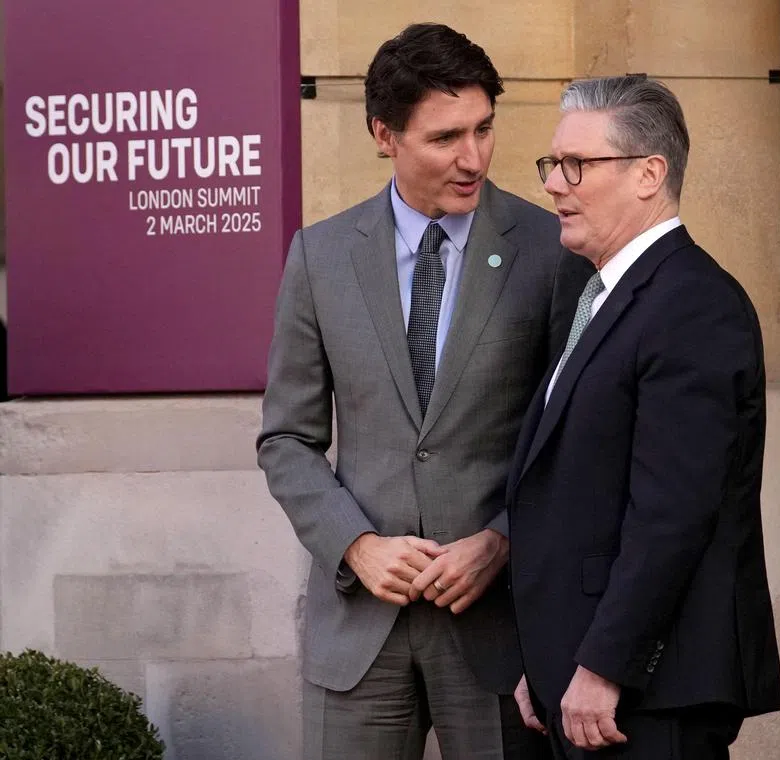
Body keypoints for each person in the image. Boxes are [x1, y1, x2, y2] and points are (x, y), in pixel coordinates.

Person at [257, 23, 588, 760]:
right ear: (385, 135)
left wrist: (502, 537)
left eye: (484, 129)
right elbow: (286, 439)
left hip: (501, 629)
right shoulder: (320, 256)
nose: (473, 158)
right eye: (445, 139)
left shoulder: (552, 249)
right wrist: (357, 545)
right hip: (358, 633)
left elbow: (574, 439)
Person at [506, 75, 780, 759]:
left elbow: (673, 512)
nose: (553, 185)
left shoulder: (691, 303)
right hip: (577, 683)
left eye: (577, 165)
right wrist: (544, 660)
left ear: (648, 174)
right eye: (552, 165)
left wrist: (606, 666)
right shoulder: (606, 294)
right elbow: (577, 498)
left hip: (644, 695)